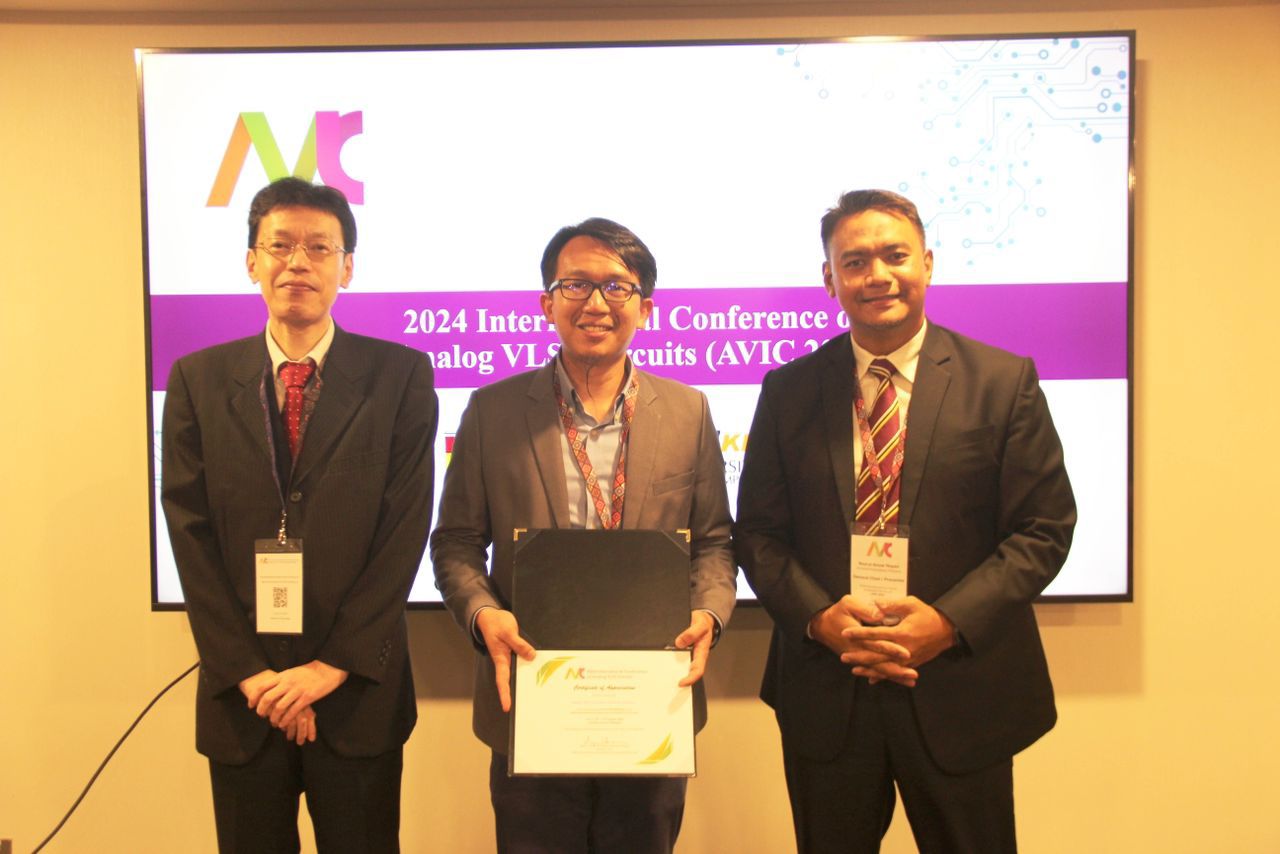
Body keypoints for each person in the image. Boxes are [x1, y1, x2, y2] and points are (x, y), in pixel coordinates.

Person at [734, 189, 1076, 853]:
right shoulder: (789, 390)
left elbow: (1044, 529)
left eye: (895, 256)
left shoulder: (1002, 382)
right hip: (830, 689)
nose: (878, 275)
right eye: (855, 261)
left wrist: (946, 623)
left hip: (959, 689)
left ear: (927, 263)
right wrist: (820, 618)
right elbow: (757, 533)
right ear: (829, 278)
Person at [430, 217, 736, 853]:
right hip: (535, 698)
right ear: (547, 303)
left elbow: (713, 542)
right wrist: (483, 614)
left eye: (617, 287)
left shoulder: (689, 411)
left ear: (645, 309)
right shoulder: (492, 411)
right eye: (576, 285)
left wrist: (708, 613)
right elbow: (456, 541)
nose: (596, 303)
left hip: (650, 701)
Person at [161, 177, 437, 853]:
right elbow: (189, 535)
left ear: (347, 267)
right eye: (280, 246)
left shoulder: (401, 376)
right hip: (244, 698)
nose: (297, 263)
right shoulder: (196, 379)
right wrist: (251, 674)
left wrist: (329, 668)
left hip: (357, 694)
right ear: (251, 261)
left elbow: (403, 532)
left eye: (319, 247)